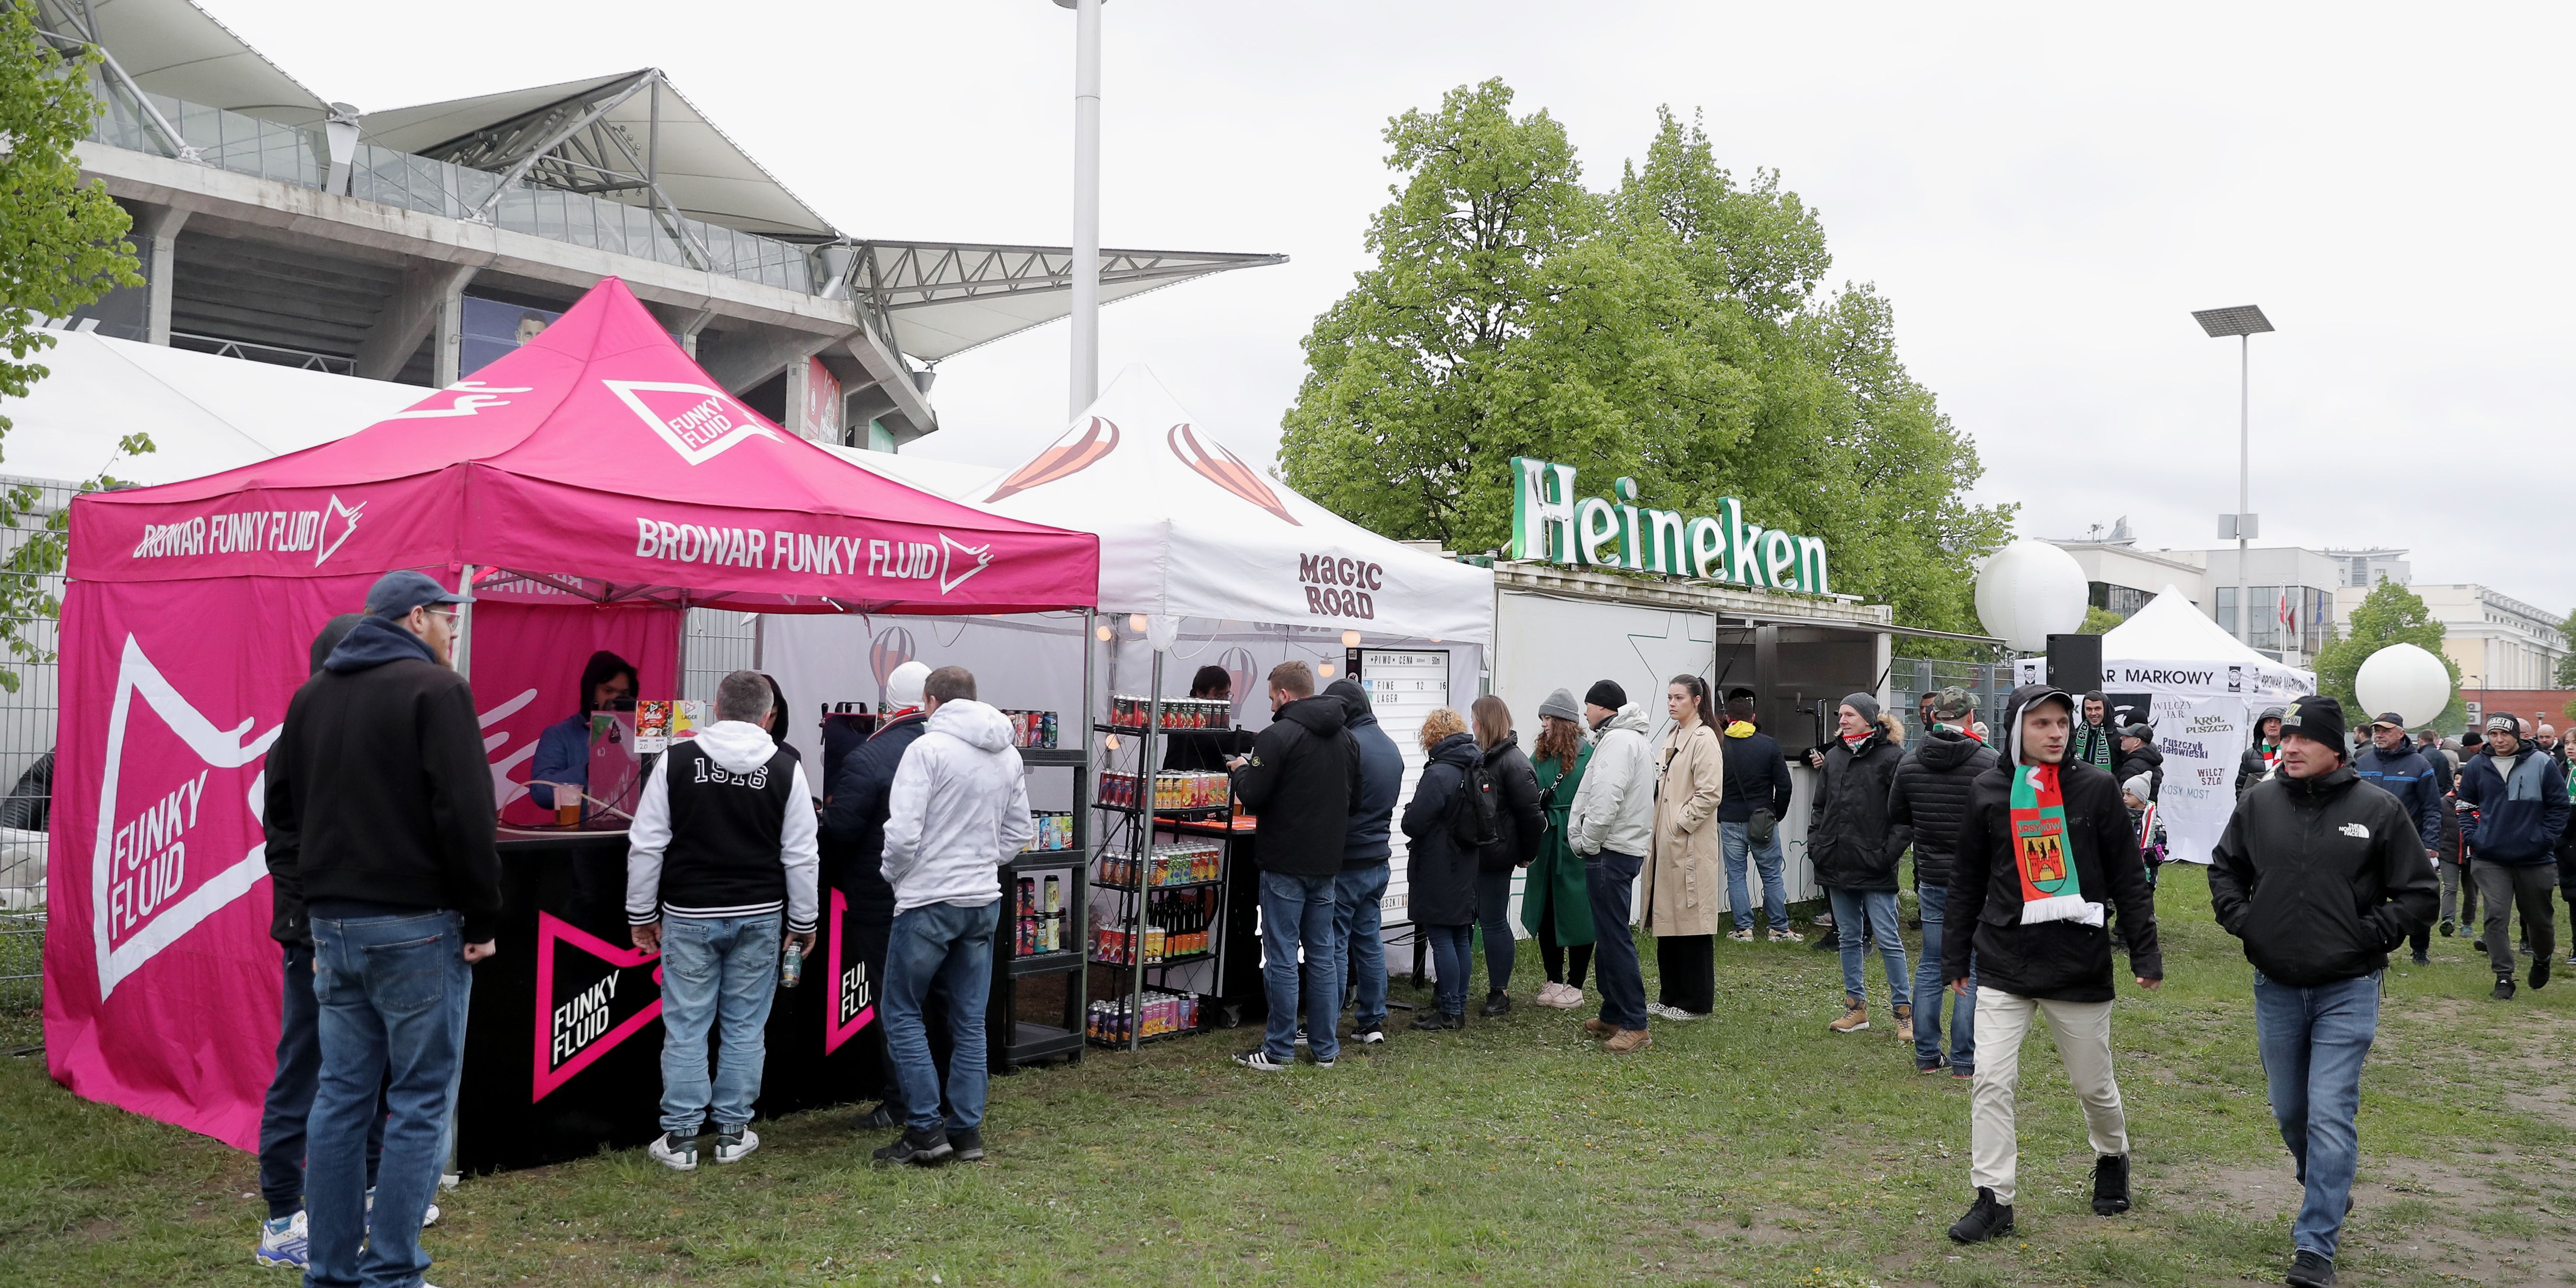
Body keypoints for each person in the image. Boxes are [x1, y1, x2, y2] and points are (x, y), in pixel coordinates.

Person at [262, 571, 501, 1288]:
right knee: (422, 1100)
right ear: (416, 617)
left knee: (340, 1098)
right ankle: (393, 1270)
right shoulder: (436, 691)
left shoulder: (311, 697)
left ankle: (332, 1271)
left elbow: (282, 816)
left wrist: (308, 912)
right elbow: (466, 813)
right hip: (418, 928)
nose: (454, 633)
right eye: (448, 622)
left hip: (334, 930)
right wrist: (483, 916)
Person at [2205, 694, 2433, 1288]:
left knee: (2331, 1114)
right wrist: (2245, 920)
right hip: (2276, 985)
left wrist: (2369, 934)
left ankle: (2316, 1246)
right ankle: (2328, 1185)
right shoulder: (2259, 804)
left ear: (2337, 748)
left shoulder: (2378, 810)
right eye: (2286, 739)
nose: (2290, 747)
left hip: (2347, 987)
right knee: (2292, 1112)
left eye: (2304, 740)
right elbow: (2224, 869)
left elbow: (2419, 894)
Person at [1943, 684, 2162, 1245]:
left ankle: (2112, 1156)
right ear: (2018, 728)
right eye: (2042, 723)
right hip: (2004, 960)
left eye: (2062, 722)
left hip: (2077, 962)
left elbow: (2127, 876)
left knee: (2094, 1086)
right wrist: (1954, 953)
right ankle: (1995, 1199)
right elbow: (1966, 878)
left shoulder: (2096, 788)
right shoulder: (1989, 789)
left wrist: (2144, 949)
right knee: (1990, 1079)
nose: (2056, 732)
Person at [627, 670, 820, 1170]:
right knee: (744, 1026)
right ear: (769, 714)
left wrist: (640, 914)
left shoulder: (677, 759)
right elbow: (801, 853)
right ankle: (733, 1133)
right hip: (760, 914)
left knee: (687, 1025)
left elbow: (647, 844)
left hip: (689, 913)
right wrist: (804, 921)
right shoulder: (785, 765)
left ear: (716, 707)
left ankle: (682, 1139)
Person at [254, 614, 392, 1269]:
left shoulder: (372, 733)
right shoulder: (297, 739)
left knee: (374, 1062)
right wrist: (312, 921)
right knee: (305, 1064)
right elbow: (282, 844)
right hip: (314, 933)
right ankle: (283, 1215)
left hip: (370, 929)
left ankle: (367, 1191)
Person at [872, 666, 1033, 1164]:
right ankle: (965, 1132)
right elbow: (1018, 832)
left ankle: (924, 1129)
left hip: (928, 898)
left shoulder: (926, 750)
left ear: (930, 701)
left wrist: (896, 877)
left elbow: (901, 835)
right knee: (969, 1021)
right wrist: (983, 862)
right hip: (981, 900)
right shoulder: (1007, 753)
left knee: (902, 1011)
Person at [819, 660, 933, 1130]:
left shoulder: (871, 756)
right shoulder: (951, 748)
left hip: (884, 897)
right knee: (940, 1002)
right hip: (946, 897)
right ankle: (939, 1098)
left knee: (896, 1005)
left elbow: (840, 830)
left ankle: (902, 1102)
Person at [1228, 661, 1360, 1069]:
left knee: (1282, 954)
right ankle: (1325, 1049)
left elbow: (1254, 793)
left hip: (1284, 860)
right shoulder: (1348, 740)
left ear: (1284, 694)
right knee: (1322, 954)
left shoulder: (1275, 737)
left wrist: (1240, 772)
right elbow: (1353, 803)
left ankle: (1280, 1049)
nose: (1270, 705)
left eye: (1270, 697)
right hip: (1327, 863)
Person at [1885, 686, 1997, 1077]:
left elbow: (1897, 813)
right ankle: (1965, 1060)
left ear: (1934, 718)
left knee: (1932, 963)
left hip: (1931, 875)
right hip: (1978, 879)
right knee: (1973, 964)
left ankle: (1927, 1055)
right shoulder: (1989, 762)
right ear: (1969, 719)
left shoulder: (1911, 762)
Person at [1807, 693, 1911, 1038]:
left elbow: (1905, 816)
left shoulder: (1893, 758)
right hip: (1836, 862)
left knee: (1888, 938)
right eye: (1840, 715)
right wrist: (1817, 845)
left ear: (1869, 719)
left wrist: (1886, 855)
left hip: (1876, 866)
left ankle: (1903, 1014)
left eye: (1849, 714)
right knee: (1849, 937)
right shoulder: (1835, 757)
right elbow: (1820, 807)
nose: (1842, 721)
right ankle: (1856, 1009)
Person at [1567, 681, 1656, 1054]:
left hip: (1609, 850)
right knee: (1608, 934)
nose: (1585, 714)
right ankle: (1613, 1012)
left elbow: (1606, 795)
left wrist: (1588, 841)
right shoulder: (1629, 739)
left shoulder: (1618, 742)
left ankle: (1635, 1023)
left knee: (1615, 938)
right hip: (1621, 847)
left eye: (1588, 706)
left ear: (1602, 708)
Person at [2457, 714, 2568, 999]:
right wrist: (2475, 837)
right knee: (2496, 915)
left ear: (2518, 735)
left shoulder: (2542, 763)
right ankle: (2504, 977)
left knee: (2539, 919)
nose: (2499, 740)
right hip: (2489, 856)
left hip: (2534, 857)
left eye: (2504, 734)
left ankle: (2542, 959)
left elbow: (2559, 806)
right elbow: (2465, 806)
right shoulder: (2477, 766)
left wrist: (2545, 838)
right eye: (2493, 735)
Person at [1325, 678, 1402, 1044]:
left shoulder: (1349, 745)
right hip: (1378, 859)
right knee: (1369, 941)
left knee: (1336, 942)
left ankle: (1327, 1022)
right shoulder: (1390, 747)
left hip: (1347, 860)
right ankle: (1372, 1021)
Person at [1644, 676, 1724, 1021]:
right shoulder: (1673, 736)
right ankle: (1670, 994)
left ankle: (1695, 1002)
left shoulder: (1704, 738)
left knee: (1691, 924)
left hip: (1688, 844)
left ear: (1696, 700)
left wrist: (1680, 822)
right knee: (1669, 920)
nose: (1672, 703)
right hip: (1667, 845)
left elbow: (1710, 793)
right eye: (1669, 697)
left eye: (1679, 697)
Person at [1403, 708, 1487, 1030]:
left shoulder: (1439, 774)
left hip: (1439, 862)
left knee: (1440, 937)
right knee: (1459, 937)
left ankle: (1450, 1011)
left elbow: (1414, 823)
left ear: (1433, 737)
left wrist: (1411, 810)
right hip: (1467, 861)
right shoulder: (1473, 766)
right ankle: (1458, 1004)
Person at [1470, 694, 1545, 1017]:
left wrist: (1526, 854)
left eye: (1475, 719)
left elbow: (1532, 817)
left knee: (1493, 923)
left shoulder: (1513, 763)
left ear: (1486, 722)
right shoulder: (1483, 758)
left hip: (1495, 856)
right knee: (1477, 920)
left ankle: (1499, 991)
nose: (1471, 724)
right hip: (1478, 853)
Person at [2352, 713, 2444, 968]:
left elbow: (2432, 809)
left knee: (2415, 897)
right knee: (2370, 899)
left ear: (2401, 733)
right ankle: (2375, 949)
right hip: (2367, 844)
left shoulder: (2420, 765)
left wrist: (2430, 845)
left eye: (2385, 730)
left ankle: (2420, 949)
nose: (2379, 735)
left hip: (2408, 844)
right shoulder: (2363, 761)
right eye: (2376, 730)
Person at [1522, 689, 1595, 1007]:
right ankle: (1553, 979)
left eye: (1548, 717)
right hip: (1546, 839)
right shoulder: (1539, 754)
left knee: (1579, 911)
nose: (1544, 724)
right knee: (1547, 908)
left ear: (1565, 721)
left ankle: (1576, 984)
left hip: (1575, 840)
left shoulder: (1589, 755)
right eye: (1542, 718)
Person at [1718, 695, 1797, 942]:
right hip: (1763, 819)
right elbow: (1785, 786)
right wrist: (1776, 814)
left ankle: (1743, 929)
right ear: (1753, 719)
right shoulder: (1769, 745)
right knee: (1772, 873)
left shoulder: (1718, 745)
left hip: (1730, 820)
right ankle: (1779, 929)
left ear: (1727, 719)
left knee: (1736, 874)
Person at [530, 650, 639, 817]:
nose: (616, 700)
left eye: (623, 694)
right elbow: (540, 791)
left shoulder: (643, 734)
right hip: (581, 837)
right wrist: (589, 771)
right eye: (608, 691)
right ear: (591, 692)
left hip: (633, 835)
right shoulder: (560, 734)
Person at [1165, 663, 1256, 771]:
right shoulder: (1185, 713)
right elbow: (1214, 739)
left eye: (1227, 695)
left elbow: (1229, 752)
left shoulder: (1217, 717)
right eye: (1218, 696)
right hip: (1181, 783)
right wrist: (1254, 739)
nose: (1224, 700)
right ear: (1201, 694)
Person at [2239, 705, 2287, 798]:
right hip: (2257, 806)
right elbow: (2241, 787)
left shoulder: (2292, 753)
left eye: (2278, 721)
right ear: (2262, 726)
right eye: (2269, 721)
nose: (2273, 725)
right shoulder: (2250, 755)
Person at [2070, 690, 2120, 777]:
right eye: (2089, 709)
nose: (2093, 713)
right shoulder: (2076, 734)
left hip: (2109, 787)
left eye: (2098, 709)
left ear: (2106, 709)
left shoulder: (2120, 736)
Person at [2116, 723, 2163, 802]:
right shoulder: (2154, 763)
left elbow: (2124, 799)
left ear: (2137, 742)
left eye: (2127, 736)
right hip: (2147, 812)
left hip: (2133, 813)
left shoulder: (2132, 765)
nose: (2122, 738)